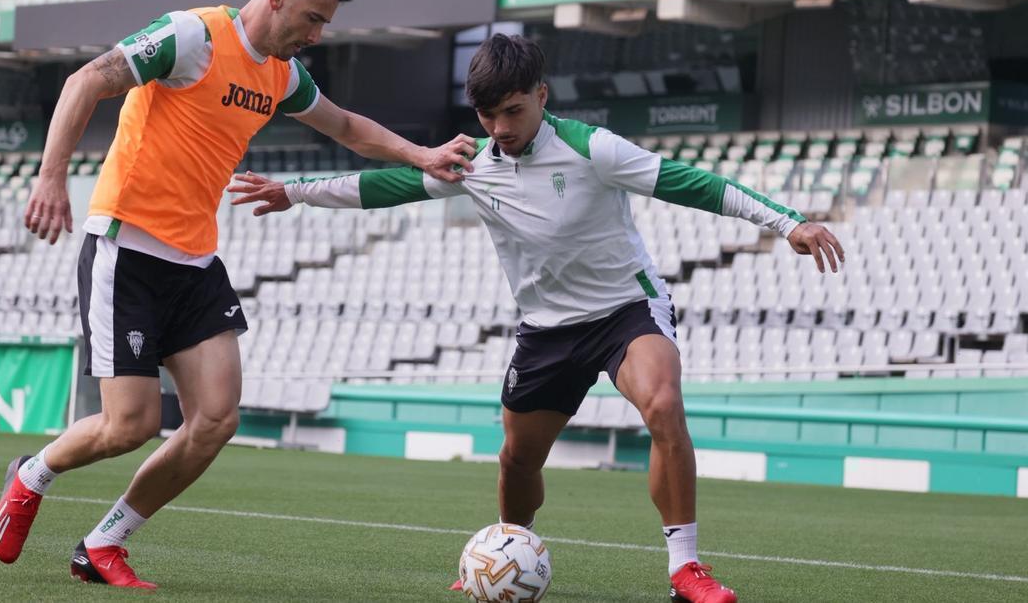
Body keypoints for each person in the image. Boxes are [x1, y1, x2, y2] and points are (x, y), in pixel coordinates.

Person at [229, 34, 845, 603]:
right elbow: (385, 187)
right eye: (487, 116)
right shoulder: (473, 164)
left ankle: (685, 568)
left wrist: (788, 222)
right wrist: (295, 191)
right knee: (518, 461)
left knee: (662, 405)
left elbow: (692, 184)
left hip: (625, 311)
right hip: (546, 329)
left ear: (542, 96)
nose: (501, 128)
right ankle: (504, 554)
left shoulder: (593, 148)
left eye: (513, 111)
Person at [0, 0, 475, 590]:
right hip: (127, 249)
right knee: (130, 425)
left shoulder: (282, 74)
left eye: (325, 24)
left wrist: (423, 154)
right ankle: (31, 476)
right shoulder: (190, 35)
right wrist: (52, 177)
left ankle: (104, 543)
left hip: (194, 261)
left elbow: (346, 126)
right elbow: (86, 81)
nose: (317, 35)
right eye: (313, 18)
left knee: (216, 419)